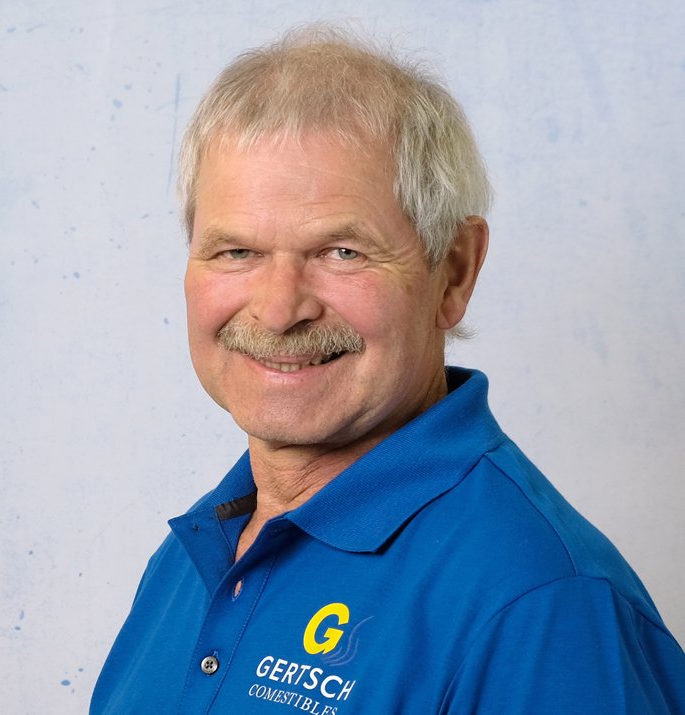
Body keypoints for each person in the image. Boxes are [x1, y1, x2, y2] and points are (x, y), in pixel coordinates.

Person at [90, 26, 685, 714]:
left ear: (453, 272)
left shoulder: (542, 606)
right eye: (236, 252)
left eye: (342, 252)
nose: (279, 310)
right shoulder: (196, 556)